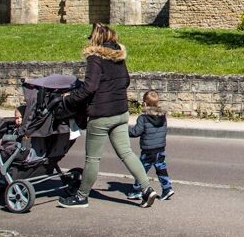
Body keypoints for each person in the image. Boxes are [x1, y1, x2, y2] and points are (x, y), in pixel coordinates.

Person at [56, 23, 157, 209]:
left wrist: (70, 99)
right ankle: (147, 189)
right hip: (120, 112)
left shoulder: (95, 58)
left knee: (92, 159)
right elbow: (125, 80)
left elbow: (90, 87)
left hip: (101, 115)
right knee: (126, 153)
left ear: (95, 39)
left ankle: (81, 196)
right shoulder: (119, 56)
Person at [128, 90, 173, 201]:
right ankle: (167, 188)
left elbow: (136, 132)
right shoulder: (163, 116)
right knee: (161, 168)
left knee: (140, 170)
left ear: (145, 103)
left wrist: (125, 130)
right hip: (160, 148)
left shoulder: (143, 118)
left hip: (148, 150)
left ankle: (137, 190)